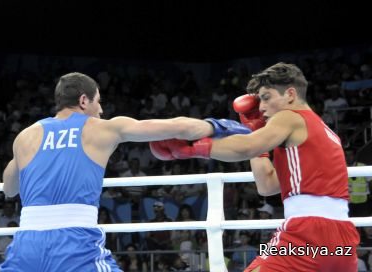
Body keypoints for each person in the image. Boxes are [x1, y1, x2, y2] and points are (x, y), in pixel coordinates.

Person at [0, 72, 251, 271]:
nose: (100, 110)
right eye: (98, 101)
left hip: (26, 243)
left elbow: (9, 189)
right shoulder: (103, 128)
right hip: (74, 243)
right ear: (84, 100)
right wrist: (217, 126)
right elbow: (178, 127)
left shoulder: (26, 136)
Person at [150, 63, 360, 271]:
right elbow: (267, 185)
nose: (261, 107)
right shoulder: (324, 133)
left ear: (290, 94)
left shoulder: (290, 117)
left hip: (308, 233)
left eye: (266, 97)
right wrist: (255, 133)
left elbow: (246, 148)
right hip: (342, 240)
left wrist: (193, 148)